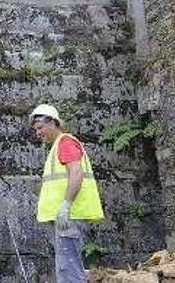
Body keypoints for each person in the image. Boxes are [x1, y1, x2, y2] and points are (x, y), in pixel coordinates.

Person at [30, 104, 105, 283]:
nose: (38, 133)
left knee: (68, 270)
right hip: (67, 217)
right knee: (68, 267)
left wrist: (66, 205)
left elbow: (76, 173)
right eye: (35, 130)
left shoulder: (65, 143)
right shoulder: (59, 145)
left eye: (40, 128)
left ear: (54, 123)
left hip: (69, 215)